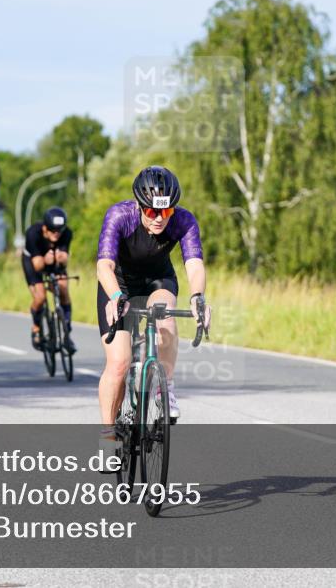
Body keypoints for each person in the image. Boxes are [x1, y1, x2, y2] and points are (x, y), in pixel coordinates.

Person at [95, 166, 211, 447]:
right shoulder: (120, 215)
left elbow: (194, 264)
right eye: (151, 212)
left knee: (165, 321)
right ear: (140, 206)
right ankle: (108, 435)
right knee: (119, 363)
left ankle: (166, 385)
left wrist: (197, 296)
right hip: (118, 284)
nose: (160, 219)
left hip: (158, 280)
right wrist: (115, 297)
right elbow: (104, 265)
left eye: (167, 211)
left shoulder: (184, 220)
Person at [21, 207, 75, 353]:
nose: (56, 234)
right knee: (40, 297)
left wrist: (62, 259)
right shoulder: (33, 233)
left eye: (59, 230)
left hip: (53, 261)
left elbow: (64, 260)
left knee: (63, 288)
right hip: (34, 261)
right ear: (45, 228)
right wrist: (45, 260)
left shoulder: (66, 233)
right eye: (52, 230)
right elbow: (38, 266)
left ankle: (66, 332)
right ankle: (36, 327)